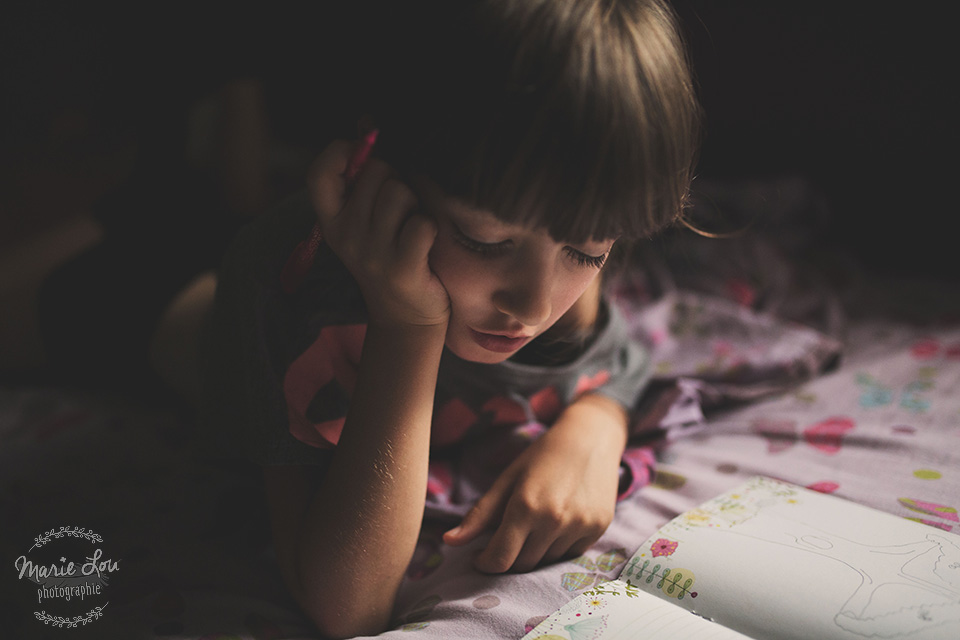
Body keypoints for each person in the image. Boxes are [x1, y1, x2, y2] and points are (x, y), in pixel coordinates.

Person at [203, 0, 700, 637]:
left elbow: (612, 355)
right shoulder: (280, 283)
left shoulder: (559, 229)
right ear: (374, 170)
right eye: (485, 242)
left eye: (588, 251)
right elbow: (347, 606)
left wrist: (594, 429)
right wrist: (408, 325)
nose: (534, 306)